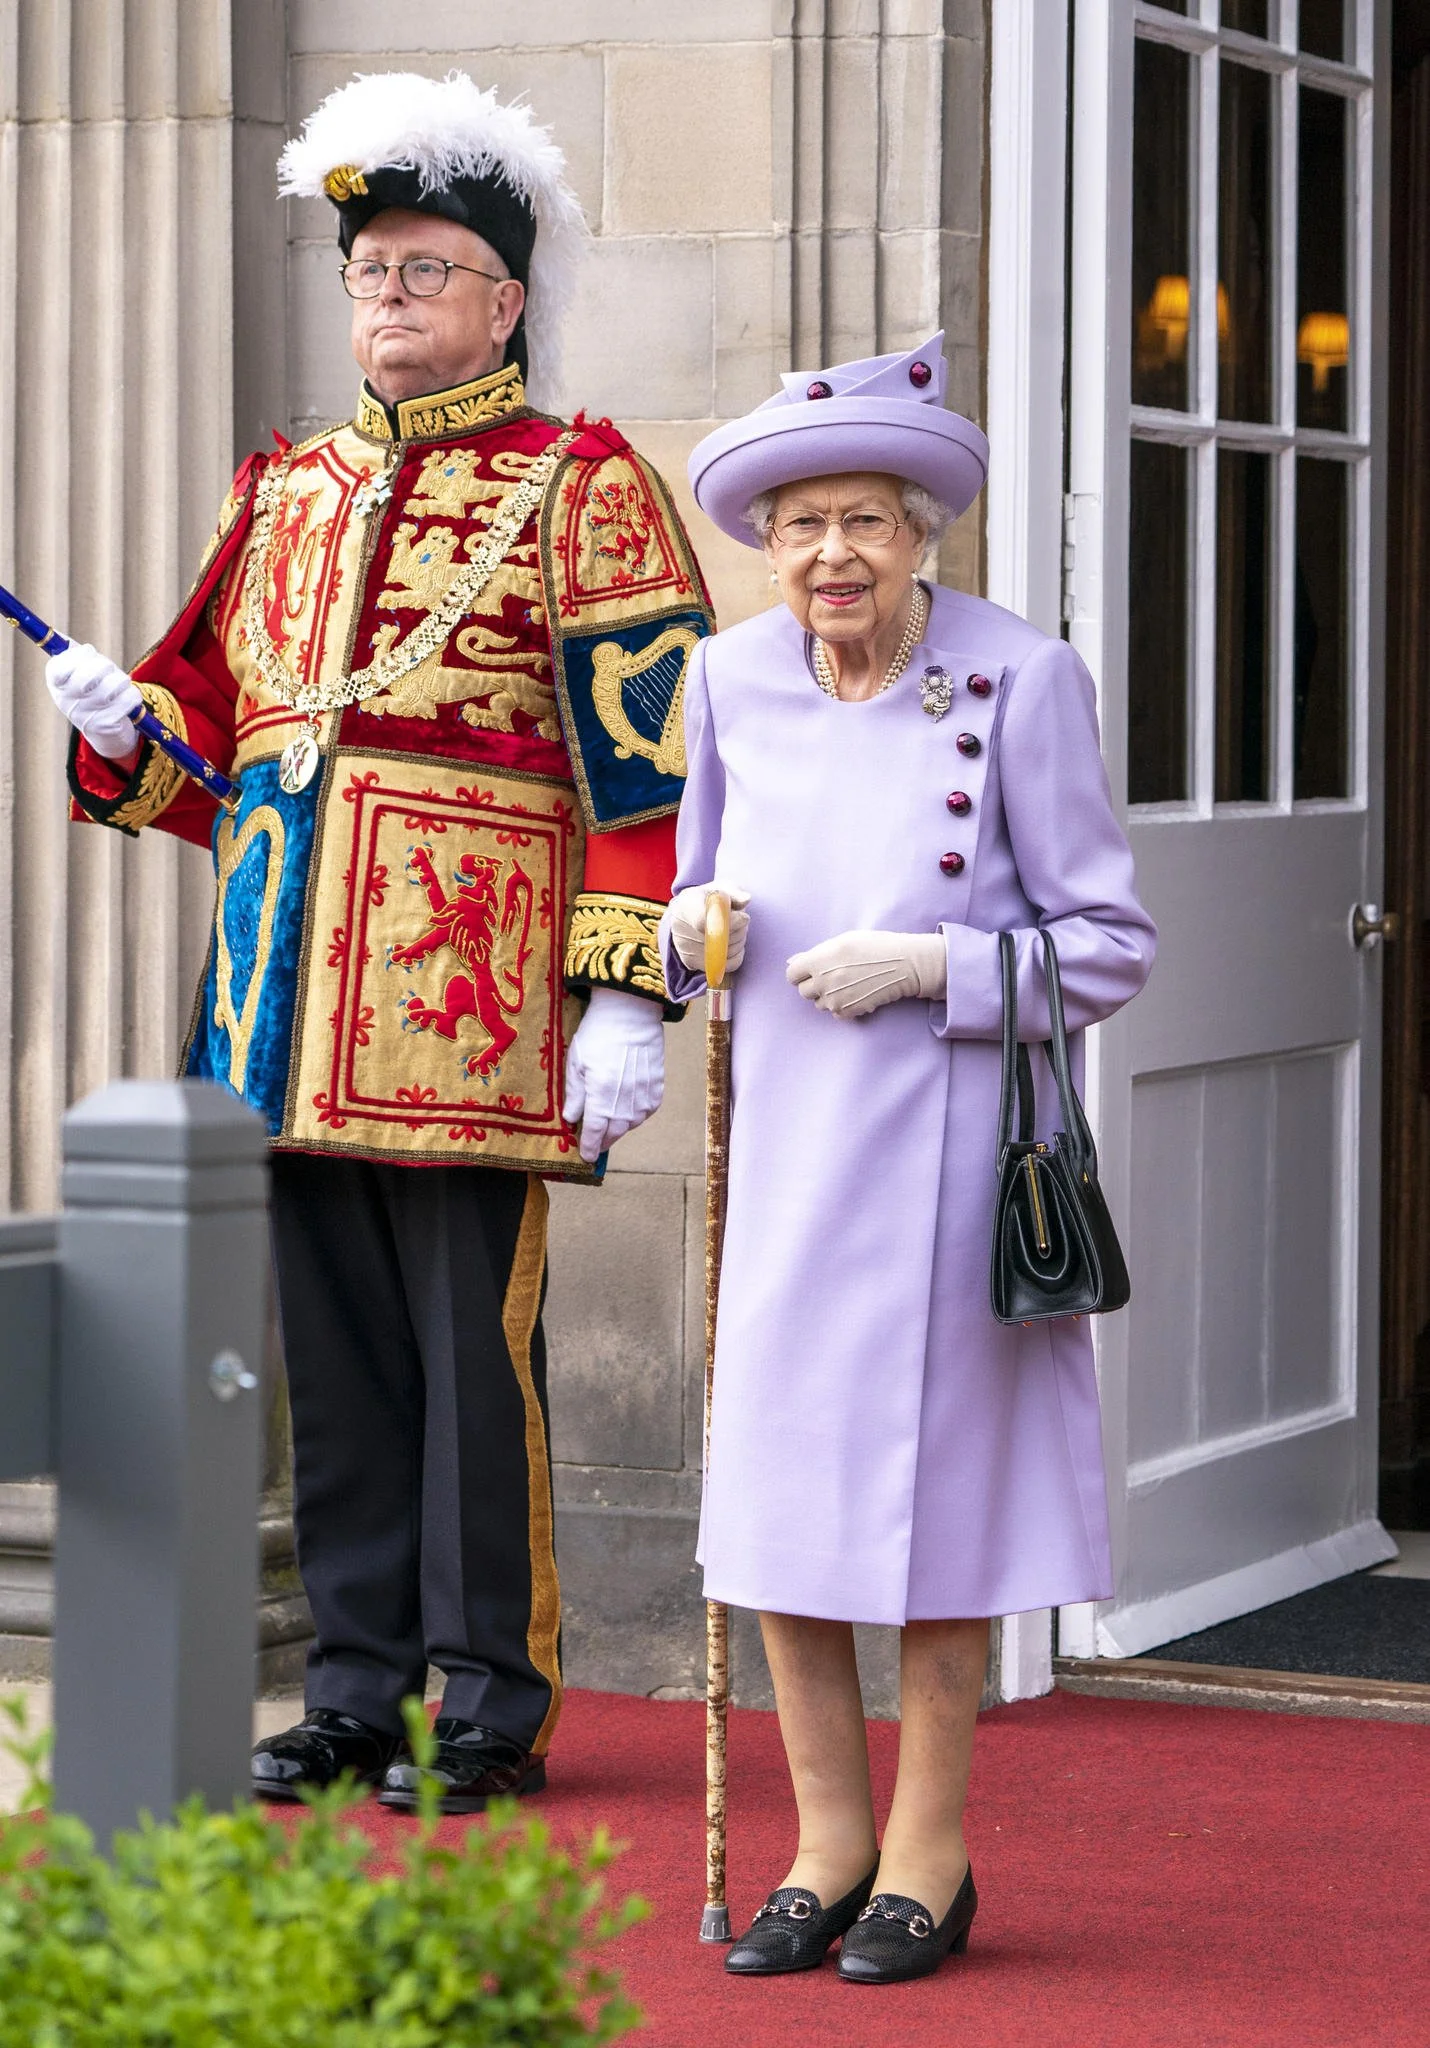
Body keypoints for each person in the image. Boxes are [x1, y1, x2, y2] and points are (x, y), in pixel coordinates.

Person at [45, 72, 711, 1814]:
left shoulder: (582, 483)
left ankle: (490, 1703)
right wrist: (120, 725)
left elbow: (656, 762)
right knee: (326, 1367)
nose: (392, 298)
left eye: (428, 268)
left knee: (473, 1373)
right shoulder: (281, 491)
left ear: (504, 296)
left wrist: (616, 986)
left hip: (475, 1002)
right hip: (277, 1000)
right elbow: (210, 768)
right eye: (371, 272)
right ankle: (353, 1687)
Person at [662, 336, 1155, 1984]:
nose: (831, 558)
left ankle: (928, 1858)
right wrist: (684, 930)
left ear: (922, 530)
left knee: (941, 1517)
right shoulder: (726, 679)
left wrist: (933, 969)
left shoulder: (1022, 681)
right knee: (787, 1500)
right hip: (792, 1155)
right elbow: (688, 900)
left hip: (954, 1157)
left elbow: (1106, 946)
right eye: (801, 525)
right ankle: (823, 1840)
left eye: (864, 520)